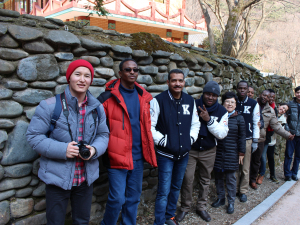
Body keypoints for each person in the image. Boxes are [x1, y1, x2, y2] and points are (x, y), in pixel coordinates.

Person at [26, 60, 110, 225]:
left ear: (91, 80)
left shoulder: (97, 108)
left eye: (87, 76)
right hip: (57, 178)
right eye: (77, 74)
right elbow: (34, 137)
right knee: (55, 222)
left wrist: (94, 150)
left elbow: (104, 135)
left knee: (82, 221)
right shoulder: (49, 106)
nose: (82, 79)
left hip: (85, 178)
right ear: (69, 78)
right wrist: (62, 149)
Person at [98, 59, 158, 225]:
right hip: (116, 157)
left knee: (133, 198)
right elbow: (97, 129)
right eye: (128, 69)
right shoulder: (107, 98)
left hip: (137, 157)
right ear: (120, 73)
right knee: (117, 199)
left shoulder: (143, 97)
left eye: (135, 69)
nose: (132, 72)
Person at [151, 69, 201, 225]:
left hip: (183, 154)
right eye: (174, 80)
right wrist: (162, 141)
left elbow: (195, 123)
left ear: (184, 82)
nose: (177, 83)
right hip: (165, 154)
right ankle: (159, 221)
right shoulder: (158, 100)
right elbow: (150, 126)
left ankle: (169, 216)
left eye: (180, 80)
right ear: (168, 82)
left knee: (176, 187)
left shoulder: (189, 101)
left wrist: (190, 139)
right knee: (163, 191)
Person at [177, 81, 229, 222]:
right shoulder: (192, 105)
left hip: (209, 150)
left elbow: (222, 133)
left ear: (217, 97)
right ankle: (185, 207)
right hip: (191, 150)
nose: (210, 97)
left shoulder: (222, 111)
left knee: (205, 179)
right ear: (203, 93)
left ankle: (201, 207)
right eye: (208, 94)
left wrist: (209, 120)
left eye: (214, 95)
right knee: (187, 178)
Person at [250, 90, 294, 189]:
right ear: (260, 94)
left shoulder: (270, 110)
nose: (265, 97)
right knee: (245, 161)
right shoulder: (252, 103)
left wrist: (287, 135)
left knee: (256, 161)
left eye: (268, 96)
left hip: (260, 139)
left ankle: (252, 180)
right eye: (264, 95)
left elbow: (276, 126)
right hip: (248, 137)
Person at [211, 92, 246, 214]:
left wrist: (241, 153)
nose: (229, 104)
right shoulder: (218, 115)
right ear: (223, 103)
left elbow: (242, 137)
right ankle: (221, 198)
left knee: (231, 178)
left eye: (232, 102)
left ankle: (231, 202)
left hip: (232, 152)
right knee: (218, 177)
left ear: (236, 104)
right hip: (217, 151)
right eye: (227, 101)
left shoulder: (239, 118)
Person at [235, 81, 261, 202]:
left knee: (245, 167)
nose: (242, 90)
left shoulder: (253, 103)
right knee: (234, 166)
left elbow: (256, 122)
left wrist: (255, 140)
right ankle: (233, 189)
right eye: (240, 88)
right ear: (237, 89)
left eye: (244, 88)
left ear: (247, 90)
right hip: (233, 139)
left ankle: (243, 191)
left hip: (247, 139)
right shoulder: (232, 101)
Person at [257, 90, 290, 184]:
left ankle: (266, 174)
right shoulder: (262, 106)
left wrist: (287, 134)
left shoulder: (273, 110)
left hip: (269, 137)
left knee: (267, 156)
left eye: (273, 97)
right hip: (262, 135)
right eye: (269, 97)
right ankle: (256, 175)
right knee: (259, 156)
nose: (271, 99)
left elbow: (276, 126)